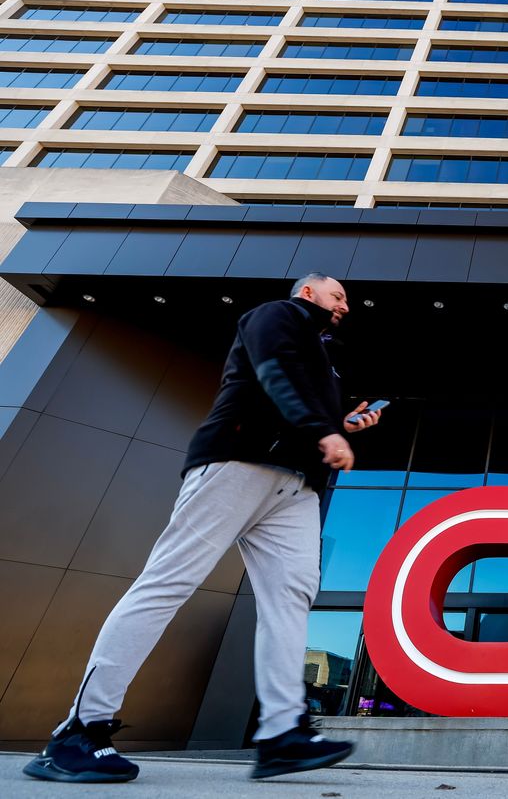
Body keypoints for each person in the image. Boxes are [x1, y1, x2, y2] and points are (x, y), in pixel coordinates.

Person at [24, 273, 382, 784]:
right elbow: (272, 371)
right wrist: (322, 429)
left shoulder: (323, 353)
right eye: (338, 295)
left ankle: (283, 733)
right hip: (237, 463)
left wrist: (341, 424)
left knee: (291, 597)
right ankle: (79, 730)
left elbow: (298, 405)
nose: (346, 305)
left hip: (297, 486)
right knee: (167, 583)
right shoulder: (278, 315)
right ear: (308, 293)